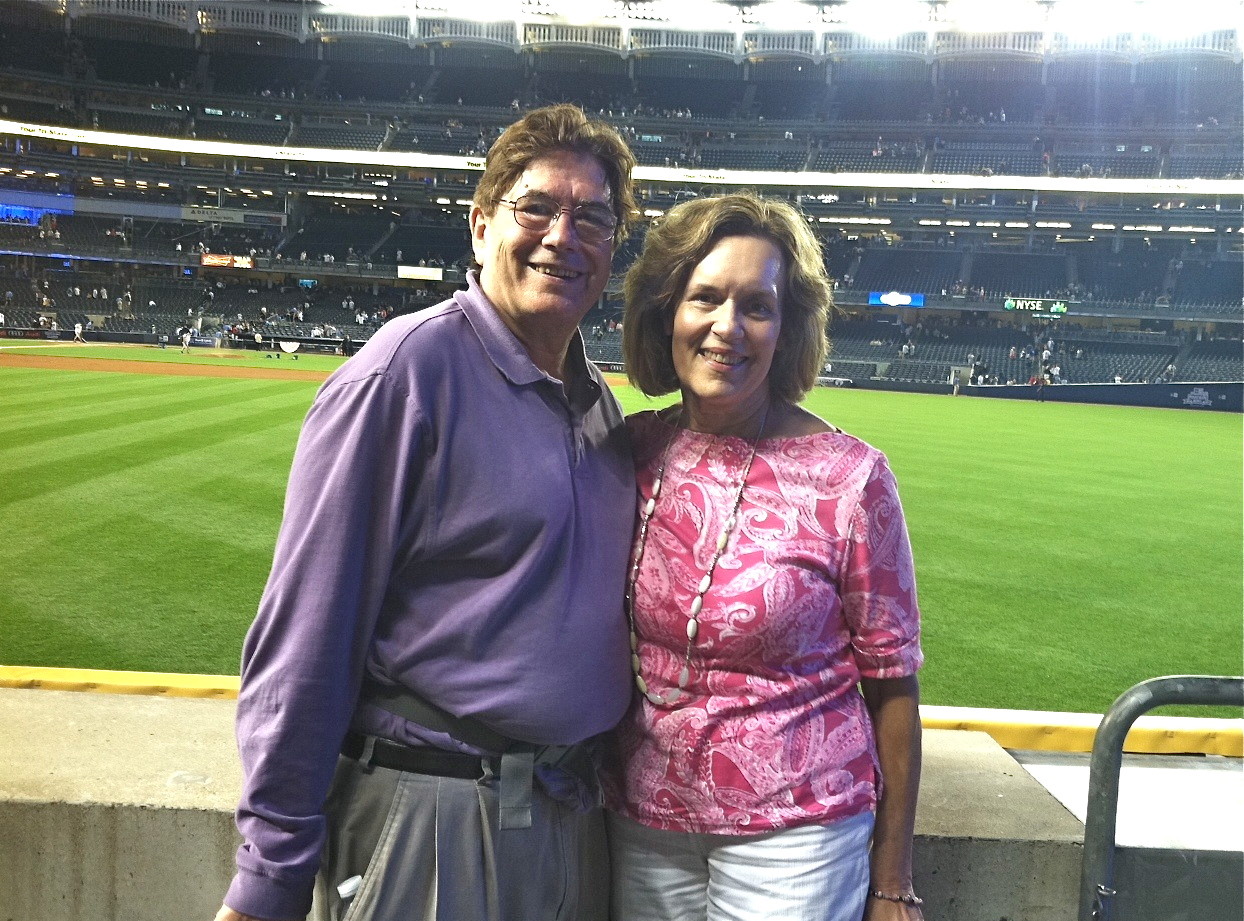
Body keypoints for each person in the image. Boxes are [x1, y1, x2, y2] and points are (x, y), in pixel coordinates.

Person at [213, 104, 638, 921]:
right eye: (537, 207)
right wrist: (269, 877)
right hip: (433, 813)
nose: (563, 234)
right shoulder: (404, 375)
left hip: (569, 816)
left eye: (593, 217)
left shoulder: (598, 404)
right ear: (481, 226)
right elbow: (307, 636)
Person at [607, 193, 925, 921]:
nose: (728, 327)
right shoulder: (634, 450)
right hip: (642, 820)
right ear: (667, 314)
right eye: (705, 297)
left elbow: (894, 686)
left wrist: (893, 879)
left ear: (788, 328)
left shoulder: (852, 477)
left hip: (797, 836)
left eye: (757, 305)